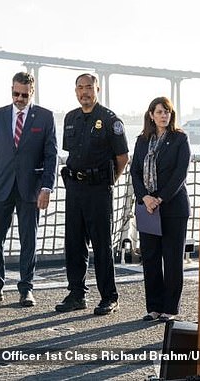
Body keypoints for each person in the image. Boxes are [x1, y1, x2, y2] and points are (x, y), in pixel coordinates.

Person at [0, 72, 58, 307]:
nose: (19, 98)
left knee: (28, 240)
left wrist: (47, 187)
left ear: (32, 91)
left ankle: (26, 289)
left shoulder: (45, 117)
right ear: (11, 89)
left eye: (24, 94)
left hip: (30, 188)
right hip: (1, 187)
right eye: (15, 93)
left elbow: (52, 156)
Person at [55, 73, 129, 316]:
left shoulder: (109, 120)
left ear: (97, 89)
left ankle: (109, 297)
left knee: (101, 245)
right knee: (74, 243)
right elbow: (72, 152)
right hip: (75, 188)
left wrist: (108, 181)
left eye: (88, 87)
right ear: (75, 91)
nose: (84, 92)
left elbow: (122, 158)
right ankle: (77, 294)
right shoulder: (71, 118)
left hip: (98, 189)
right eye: (80, 88)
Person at [130, 97, 191, 322]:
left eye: (167, 112)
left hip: (173, 208)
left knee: (173, 259)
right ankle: (153, 307)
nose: (164, 115)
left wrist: (160, 198)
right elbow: (135, 171)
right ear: (151, 115)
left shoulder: (179, 139)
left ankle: (170, 308)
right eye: (159, 112)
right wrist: (145, 197)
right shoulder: (142, 140)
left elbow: (179, 174)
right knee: (151, 258)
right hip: (148, 208)